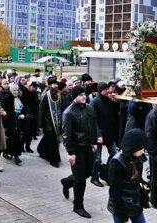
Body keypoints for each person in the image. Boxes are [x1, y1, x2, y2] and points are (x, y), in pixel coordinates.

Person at [61, 86, 98, 218]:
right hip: (76, 149)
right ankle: (78, 206)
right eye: (81, 94)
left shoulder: (89, 108)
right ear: (74, 96)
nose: (84, 96)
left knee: (88, 173)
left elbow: (93, 125)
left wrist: (94, 141)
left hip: (87, 146)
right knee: (80, 180)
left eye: (85, 94)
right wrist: (70, 153)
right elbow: (66, 135)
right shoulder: (68, 113)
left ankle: (66, 182)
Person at [108, 129, 149, 223]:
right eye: (142, 148)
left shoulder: (138, 157)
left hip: (135, 203)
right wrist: (121, 214)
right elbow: (114, 190)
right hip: (121, 205)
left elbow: (137, 179)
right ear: (134, 147)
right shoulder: (117, 162)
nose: (143, 151)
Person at [90, 82, 118, 187]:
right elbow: (93, 121)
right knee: (97, 159)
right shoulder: (94, 102)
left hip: (109, 133)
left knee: (114, 154)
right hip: (99, 135)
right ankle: (94, 178)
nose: (108, 91)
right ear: (100, 90)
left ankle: (105, 172)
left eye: (108, 89)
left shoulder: (109, 100)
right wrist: (98, 135)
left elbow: (114, 115)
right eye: (105, 89)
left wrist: (116, 101)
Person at [37, 76, 63, 167]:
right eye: (53, 84)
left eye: (56, 84)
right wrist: (40, 125)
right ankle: (54, 160)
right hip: (48, 122)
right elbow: (41, 110)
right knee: (52, 141)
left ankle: (41, 150)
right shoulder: (46, 95)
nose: (55, 85)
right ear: (50, 85)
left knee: (48, 139)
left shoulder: (59, 95)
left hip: (57, 122)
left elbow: (61, 108)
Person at [2, 84, 25, 165]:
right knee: (11, 139)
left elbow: (24, 109)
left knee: (17, 139)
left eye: (17, 90)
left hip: (18, 122)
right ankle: (11, 154)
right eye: (14, 90)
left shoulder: (20, 98)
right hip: (10, 122)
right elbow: (3, 110)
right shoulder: (7, 99)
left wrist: (23, 114)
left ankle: (15, 155)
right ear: (11, 91)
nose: (16, 92)